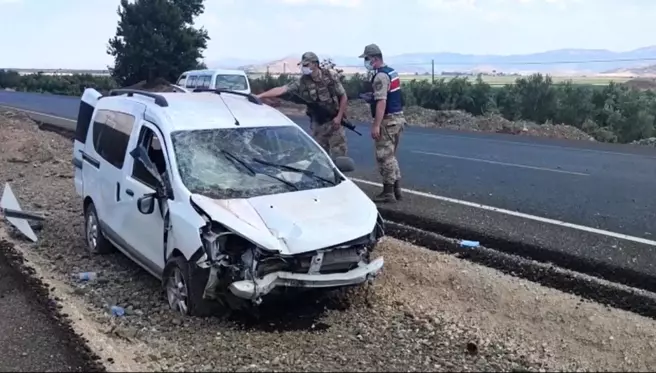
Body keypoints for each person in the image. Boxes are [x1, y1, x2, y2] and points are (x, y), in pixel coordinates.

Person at [256, 52, 349, 158]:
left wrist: (339, 117)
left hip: (334, 121)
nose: (304, 68)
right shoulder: (302, 82)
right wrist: (261, 96)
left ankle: (340, 174)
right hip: (318, 123)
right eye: (303, 65)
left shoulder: (330, 76)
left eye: (306, 65)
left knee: (339, 154)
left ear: (315, 64)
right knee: (320, 156)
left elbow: (343, 96)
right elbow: (282, 89)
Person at [358, 43, 405, 203]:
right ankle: (396, 190)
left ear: (375, 58)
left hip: (388, 120)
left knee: (384, 157)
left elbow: (382, 102)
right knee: (391, 155)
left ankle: (388, 192)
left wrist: (376, 125)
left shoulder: (380, 76)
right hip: (398, 118)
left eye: (367, 58)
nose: (366, 62)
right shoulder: (391, 72)